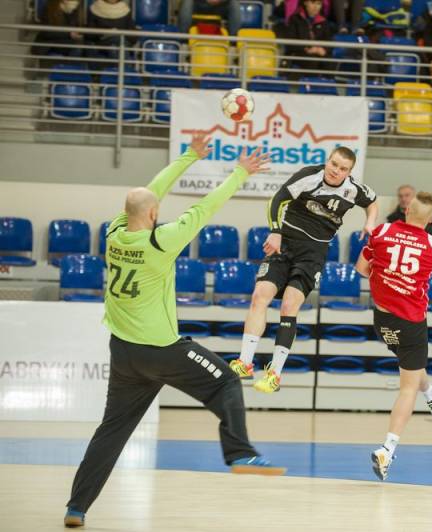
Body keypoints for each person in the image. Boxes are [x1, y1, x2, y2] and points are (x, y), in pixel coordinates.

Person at [63, 134, 277, 529]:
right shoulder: (161, 241)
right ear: (154, 213)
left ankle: (77, 507)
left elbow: (149, 192)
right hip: (162, 350)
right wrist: (239, 173)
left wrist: (188, 157)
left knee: (112, 431)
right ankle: (239, 452)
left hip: (123, 352)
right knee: (227, 381)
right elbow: (205, 207)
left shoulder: (113, 232)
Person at [229, 147, 378, 393]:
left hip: (313, 253)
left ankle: (274, 374)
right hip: (284, 244)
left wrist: (370, 222)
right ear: (327, 161)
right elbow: (277, 200)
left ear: (349, 172)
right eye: (333, 164)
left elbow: (372, 202)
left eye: (342, 168)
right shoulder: (309, 176)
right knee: (259, 296)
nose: (336, 171)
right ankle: (245, 362)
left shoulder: (353, 189)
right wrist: (275, 231)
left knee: (289, 306)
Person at [354, 191, 432, 481]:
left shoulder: (381, 231)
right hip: (411, 322)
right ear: (431, 218)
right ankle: (387, 449)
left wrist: (387, 277)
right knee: (407, 388)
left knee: (411, 366)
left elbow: (361, 269)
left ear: (406, 211)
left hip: (381, 320)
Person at [285, 0, 335, 73]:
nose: (316, 7)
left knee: (330, 62)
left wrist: (323, 50)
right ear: (305, 2)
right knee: (312, 61)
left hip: (318, 52)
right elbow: (290, 41)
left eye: (318, 4)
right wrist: (306, 48)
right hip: (300, 53)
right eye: (313, 3)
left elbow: (330, 40)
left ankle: (328, 80)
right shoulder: (295, 19)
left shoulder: (324, 21)